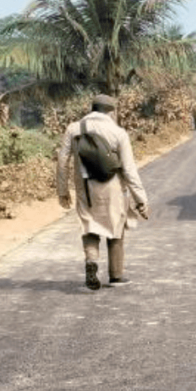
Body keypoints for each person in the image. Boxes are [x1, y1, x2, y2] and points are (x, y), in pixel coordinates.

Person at [56, 94, 150, 290]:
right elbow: (129, 169)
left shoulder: (73, 129)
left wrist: (63, 190)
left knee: (89, 225)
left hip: (84, 186)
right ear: (111, 111)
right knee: (115, 227)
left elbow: (62, 160)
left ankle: (91, 262)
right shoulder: (118, 132)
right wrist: (141, 199)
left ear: (92, 108)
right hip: (112, 186)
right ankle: (116, 275)